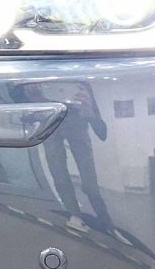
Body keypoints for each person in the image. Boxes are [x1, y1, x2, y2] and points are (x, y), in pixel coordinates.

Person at [43, 82, 112, 224]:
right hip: (49, 120)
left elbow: (102, 133)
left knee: (90, 184)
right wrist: (30, 97)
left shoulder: (81, 85)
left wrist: (91, 114)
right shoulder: (37, 83)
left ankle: (105, 220)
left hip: (77, 120)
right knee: (60, 177)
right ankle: (76, 218)